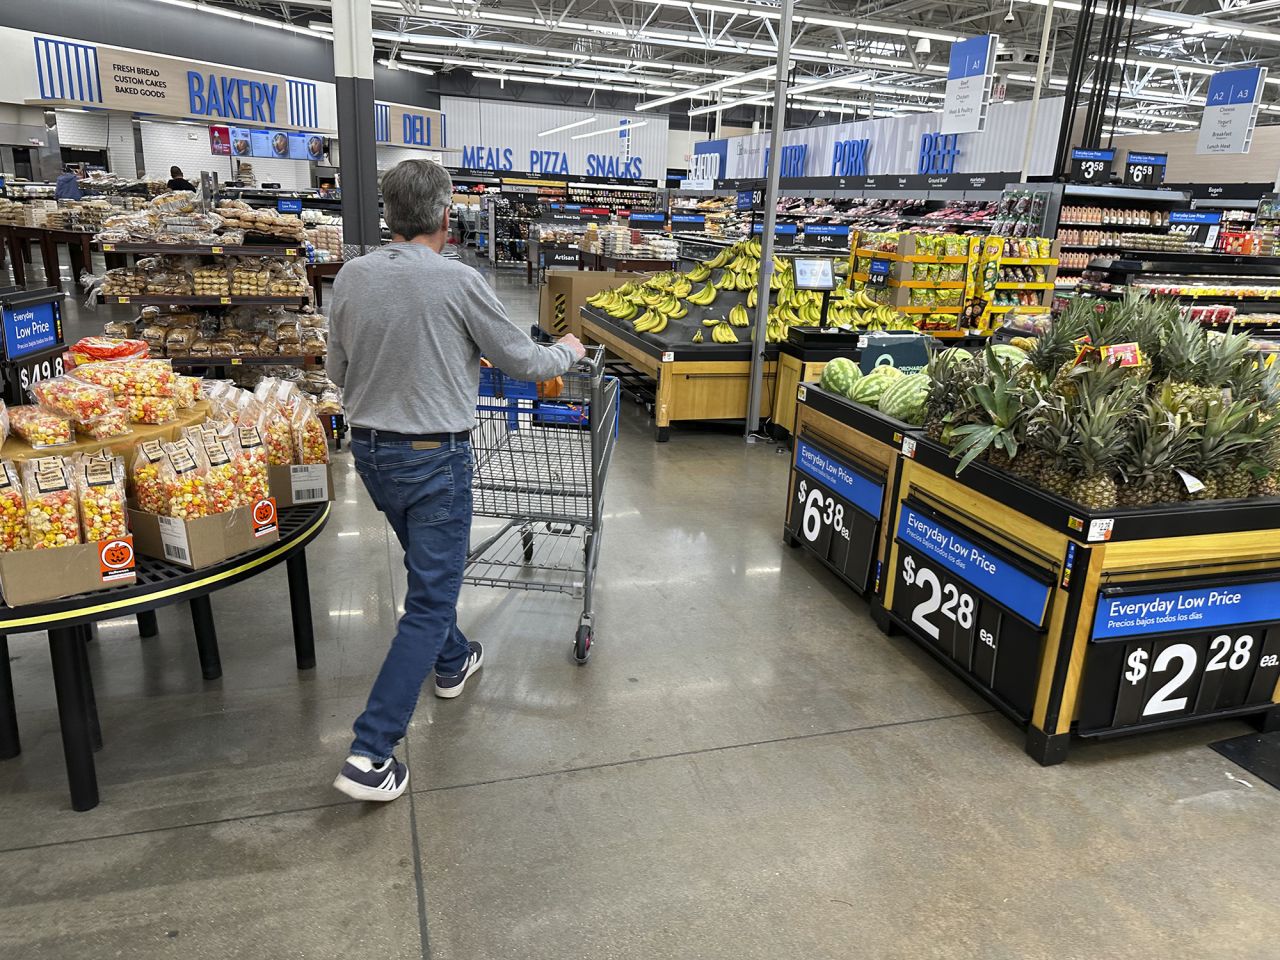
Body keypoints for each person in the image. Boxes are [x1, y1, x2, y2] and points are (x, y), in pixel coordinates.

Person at [327, 158, 585, 802]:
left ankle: (452, 660)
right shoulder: (459, 280)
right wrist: (570, 352)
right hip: (433, 457)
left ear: (389, 215)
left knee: (427, 567)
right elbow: (523, 359)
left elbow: (336, 368)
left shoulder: (351, 276)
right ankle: (370, 752)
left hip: (371, 456)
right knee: (431, 600)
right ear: (447, 216)